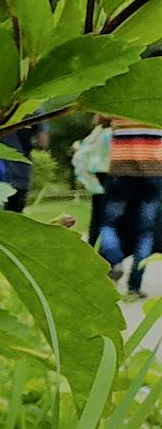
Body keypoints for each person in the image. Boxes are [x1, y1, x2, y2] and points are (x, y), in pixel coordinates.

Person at [93, 116, 161, 295]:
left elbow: (97, 120)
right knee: (145, 232)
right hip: (154, 171)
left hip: (121, 170)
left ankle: (114, 261)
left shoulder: (117, 104)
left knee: (108, 223)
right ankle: (135, 286)